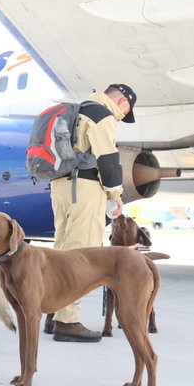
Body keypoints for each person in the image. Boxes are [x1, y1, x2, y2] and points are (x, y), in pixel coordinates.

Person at [46, 83, 137, 342]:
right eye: (125, 112)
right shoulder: (101, 115)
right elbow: (107, 159)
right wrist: (116, 196)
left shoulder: (76, 111)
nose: (121, 118)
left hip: (60, 186)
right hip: (84, 189)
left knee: (61, 251)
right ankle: (68, 320)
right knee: (81, 256)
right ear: (121, 103)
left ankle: (53, 313)